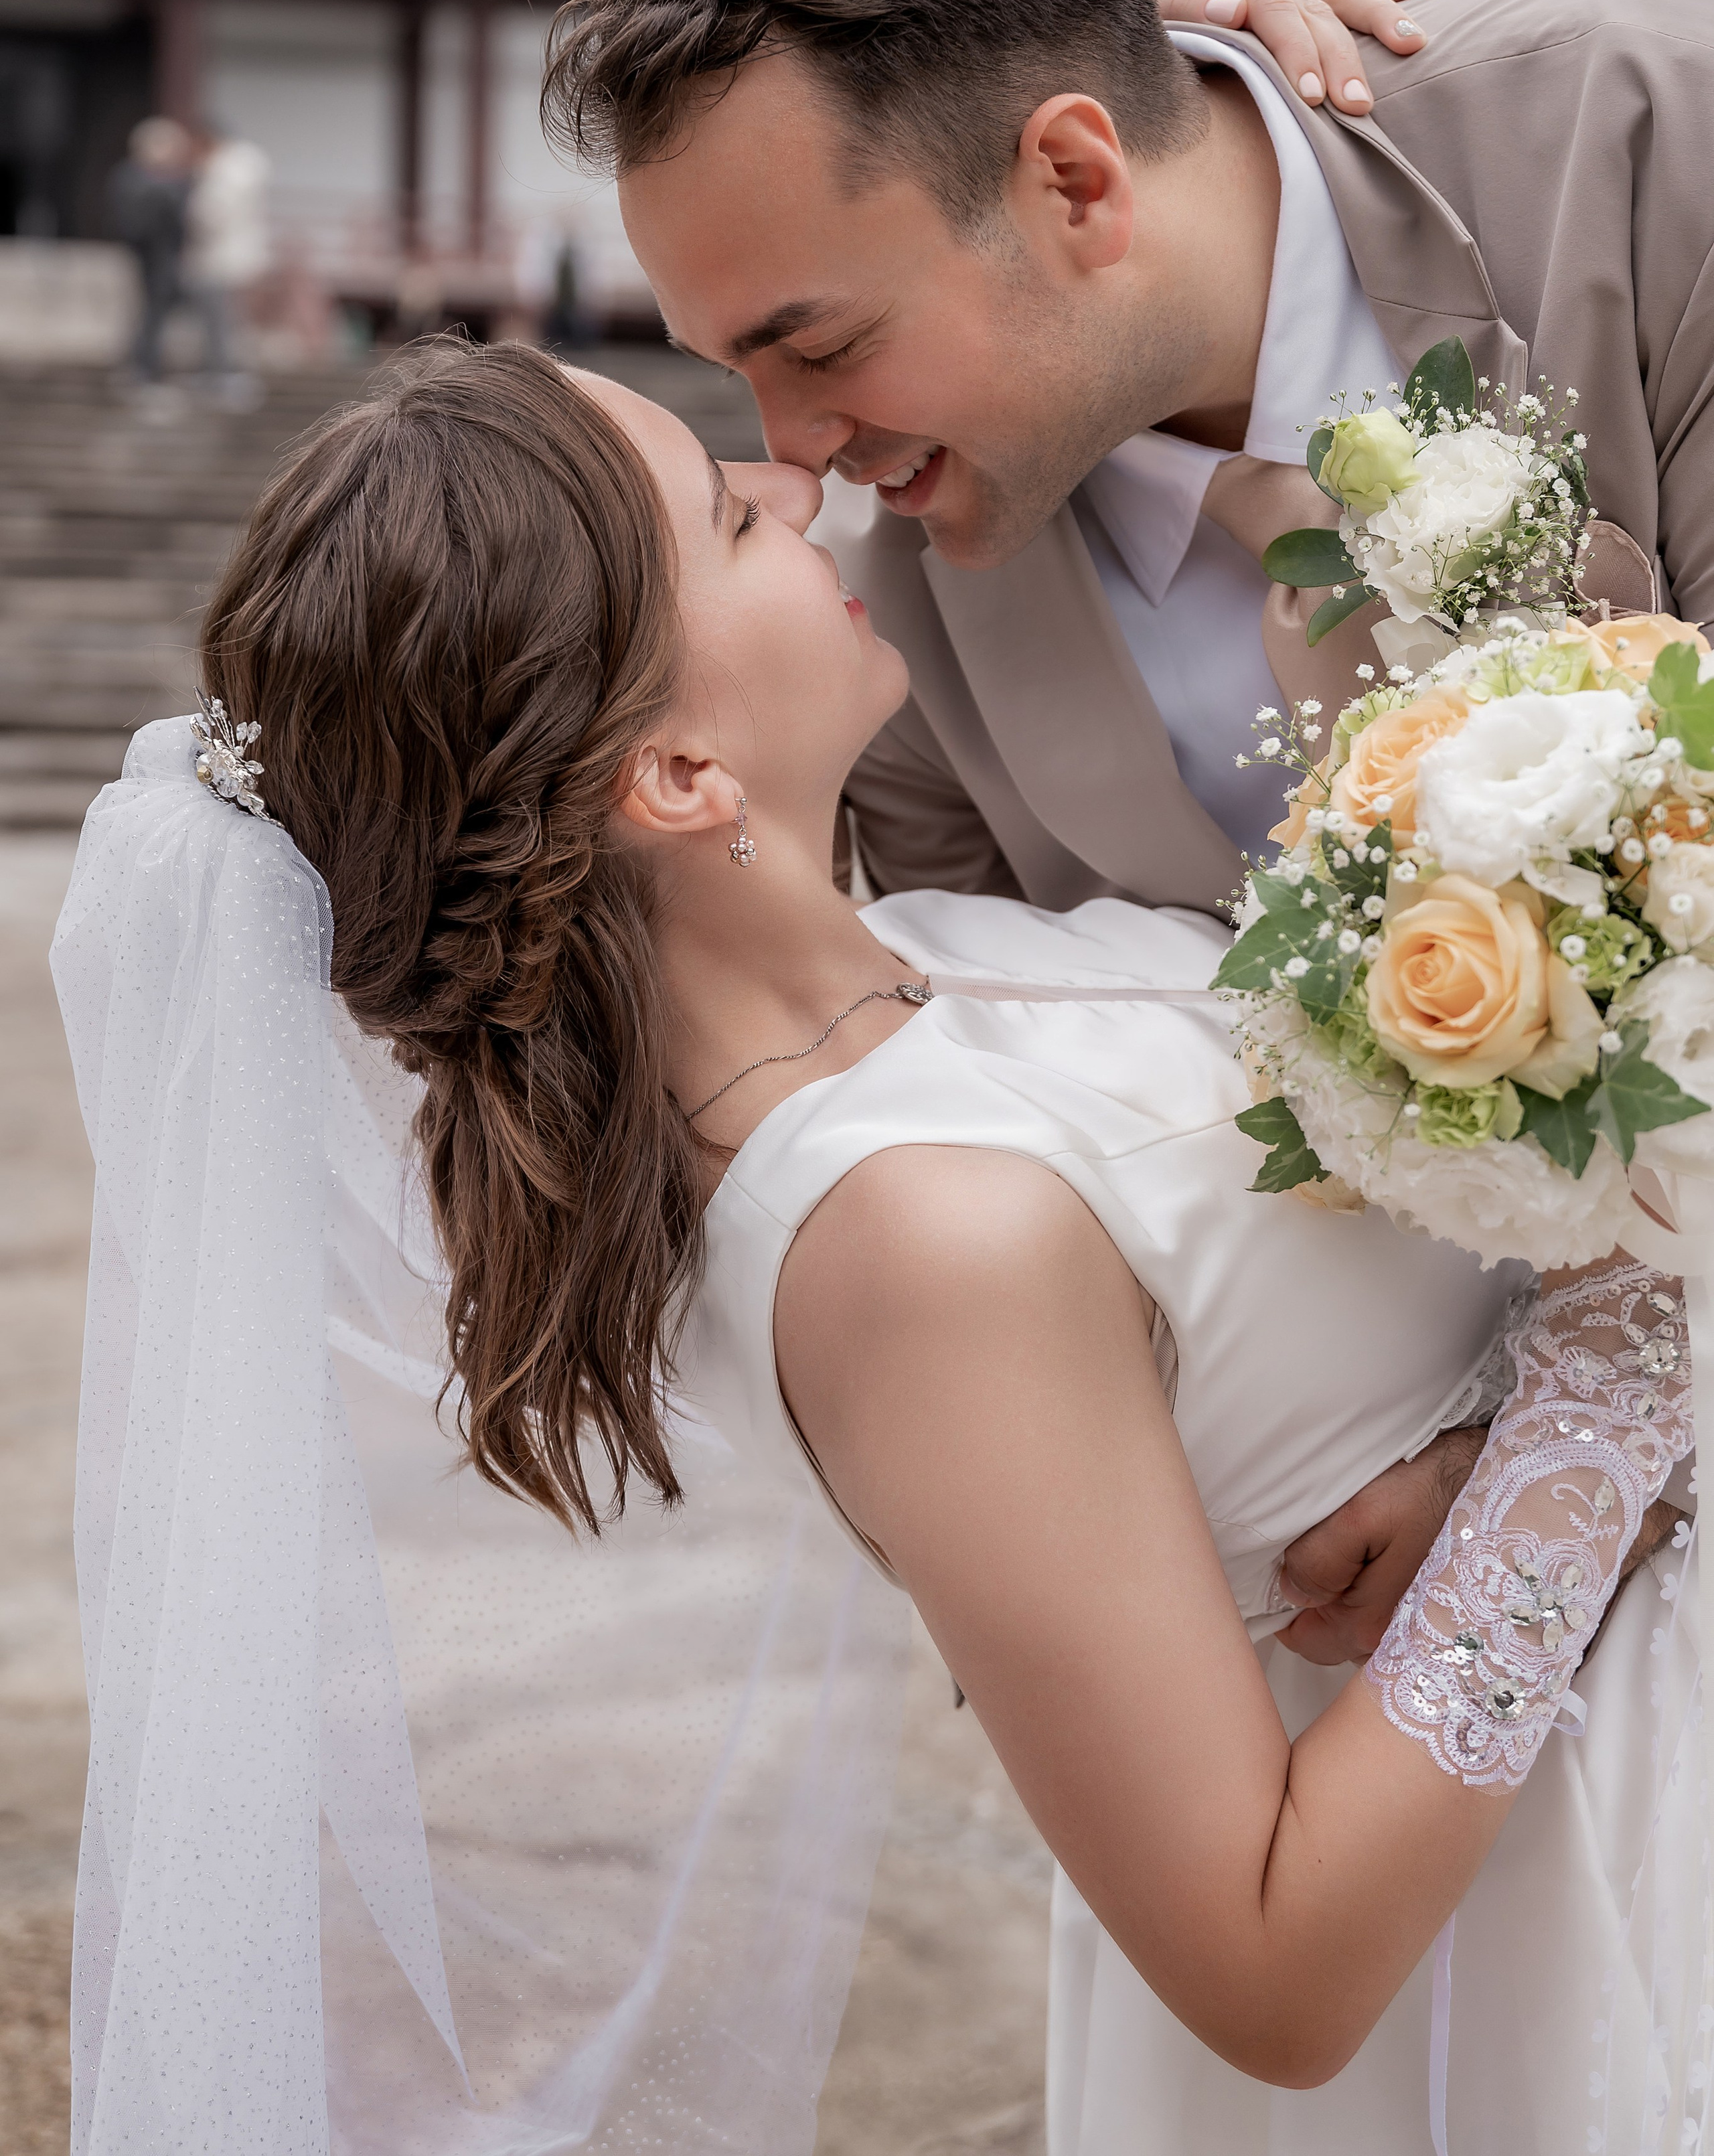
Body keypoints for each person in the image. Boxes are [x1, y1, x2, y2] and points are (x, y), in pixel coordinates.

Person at [58, 340, 1703, 2154]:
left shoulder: (918, 955)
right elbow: (1272, 1963)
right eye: (720, 511)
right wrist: (1610, 1377)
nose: (793, 488)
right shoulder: (912, 1241)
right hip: (1538, 1939)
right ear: (678, 769)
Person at [548, 0, 1705, 925]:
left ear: (1075, 182)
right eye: (729, 368)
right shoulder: (892, 626)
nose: (791, 459)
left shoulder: (1649, 134)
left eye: (824, 345)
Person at [183, 123, 270, 401]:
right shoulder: (247, 170)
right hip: (244, 259)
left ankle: (223, 375)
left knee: (221, 323)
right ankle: (230, 375)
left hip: (219, 261)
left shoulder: (222, 175)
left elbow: (209, 216)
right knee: (235, 322)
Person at [103, 114, 192, 383]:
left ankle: (147, 365)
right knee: (147, 312)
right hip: (146, 254)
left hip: (161, 254)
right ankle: (142, 367)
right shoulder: (140, 179)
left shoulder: (157, 179)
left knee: (156, 312)